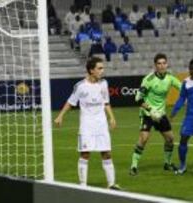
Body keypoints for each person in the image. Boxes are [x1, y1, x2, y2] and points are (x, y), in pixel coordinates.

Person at [54, 57, 120, 189]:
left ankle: (111, 184)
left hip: (101, 124)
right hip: (87, 125)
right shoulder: (80, 86)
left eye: (102, 68)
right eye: (99, 68)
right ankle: (83, 185)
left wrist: (111, 117)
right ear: (91, 70)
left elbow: (106, 102)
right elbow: (70, 102)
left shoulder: (104, 84)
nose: (102, 70)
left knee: (106, 153)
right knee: (85, 153)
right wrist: (60, 116)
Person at [129, 53, 181, 176]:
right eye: (159, 63)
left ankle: (167, 164)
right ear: (155, 66)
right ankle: (134, 166)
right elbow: (138, 98)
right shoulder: (149, 80)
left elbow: (183, 88)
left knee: (170, 139)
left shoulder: (170, 78)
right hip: (148, 113)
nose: (162, 66)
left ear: (167, 64)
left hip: (161, 114)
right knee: (144, 139)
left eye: (164, 63)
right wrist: (151, 110)